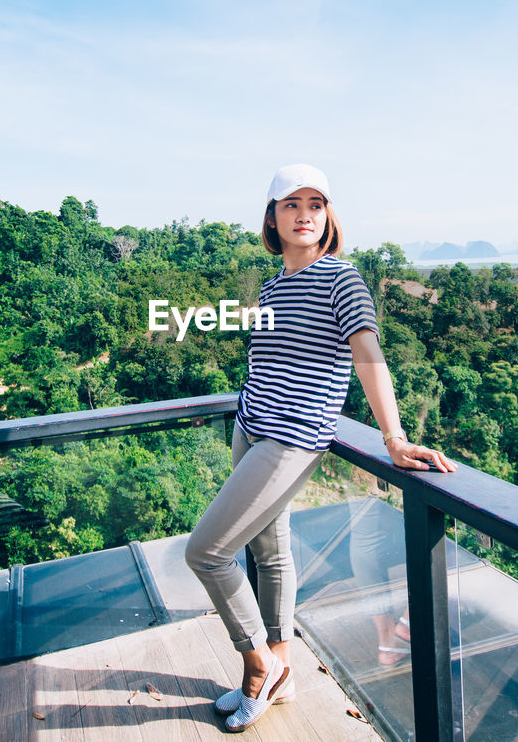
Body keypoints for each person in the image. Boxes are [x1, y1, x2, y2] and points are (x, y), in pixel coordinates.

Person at [184, 163, 454, 732]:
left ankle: (257, 666)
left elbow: (367, 355)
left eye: (316, 204)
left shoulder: (342, 278)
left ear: (328, 216)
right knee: (270, 554)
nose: (305, 214)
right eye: (291, 205)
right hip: (251, 423)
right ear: (272, 217)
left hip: (292, 437)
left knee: (206, 552)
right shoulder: (273, 284)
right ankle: (281, 666)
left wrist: (395, 438)